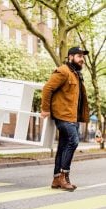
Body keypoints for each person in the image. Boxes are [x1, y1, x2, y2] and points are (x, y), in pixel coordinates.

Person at [41, 46, 89, 191]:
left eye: (83, 57)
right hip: (63, 116)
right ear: (70, 57)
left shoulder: (75, 74)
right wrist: (45, 109)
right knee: (73, 141)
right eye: (79, 56)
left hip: (72, 116)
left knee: (63, 146)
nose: (82, 60)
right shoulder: (63, 71)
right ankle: (64, 175)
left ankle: (56, 178)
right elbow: (47, 88)